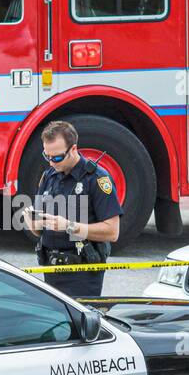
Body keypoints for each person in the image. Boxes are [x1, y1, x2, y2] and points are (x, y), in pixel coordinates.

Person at [26, 121, 121, 298]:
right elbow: (39, 231)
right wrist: (32, 221)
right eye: (47, 156)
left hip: (82, 273)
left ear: (74, 149)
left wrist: (69, 226)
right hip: (51, 270)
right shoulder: (49, 176)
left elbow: (112, 231)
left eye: (57, 157)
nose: (52, 163)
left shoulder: (97, 179)